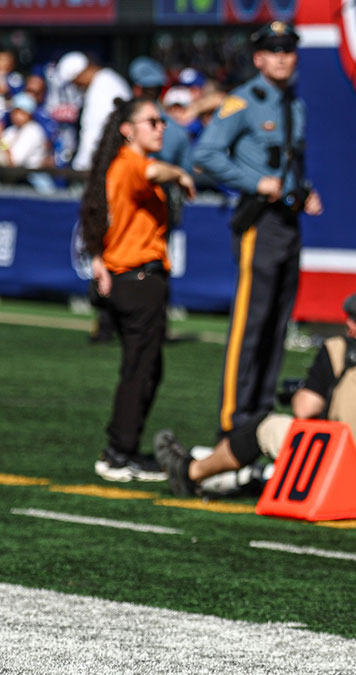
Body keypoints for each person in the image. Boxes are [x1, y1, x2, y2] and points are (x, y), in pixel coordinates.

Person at [154, 287, 356, 505]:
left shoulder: (339, 348)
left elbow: (306, 409)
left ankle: (192, 471)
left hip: (354, 484)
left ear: (351, 324)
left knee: (267, 426)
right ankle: (254, 477)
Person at [193, 21, 323, 442]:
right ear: (258, 58)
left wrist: (302, 193)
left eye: (288, 50)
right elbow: (206, 153)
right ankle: (233, 419)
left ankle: (260, 414)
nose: (283, 57)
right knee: (251, 325)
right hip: (258, 223)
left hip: (288, 222)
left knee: (277, 323)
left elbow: (287, 165)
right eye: (274, 50)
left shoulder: (294, 104)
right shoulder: (244, 101)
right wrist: (255, 183)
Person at [79, 96, 195, 481]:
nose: (160, 127)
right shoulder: (131, 163)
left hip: (137, 278)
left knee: (147, 369)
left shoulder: (121, 165)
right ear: (128, 129)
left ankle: (124, 449)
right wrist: (178, 173)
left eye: (161, 122)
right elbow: (152, 173)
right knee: (138, 370)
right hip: (137, 280)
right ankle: (117, 453)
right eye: (151, 122)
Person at [57, 51, 132, 171]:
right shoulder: (108, 78)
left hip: (110, 161)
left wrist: (81, 165)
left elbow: (93, 132)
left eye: (75, 82)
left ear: (80, 74)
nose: (76, 86)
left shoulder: (100, 87)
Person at [0, 92, 49, 169]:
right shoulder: (12, 130)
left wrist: (1, 138)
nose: (15, 115)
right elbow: (3, 147)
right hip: (14, 177)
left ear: (29, 114)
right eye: (14, 111)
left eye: (20, 112)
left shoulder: (33, 131)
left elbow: (14, 162)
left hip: (31, 178)